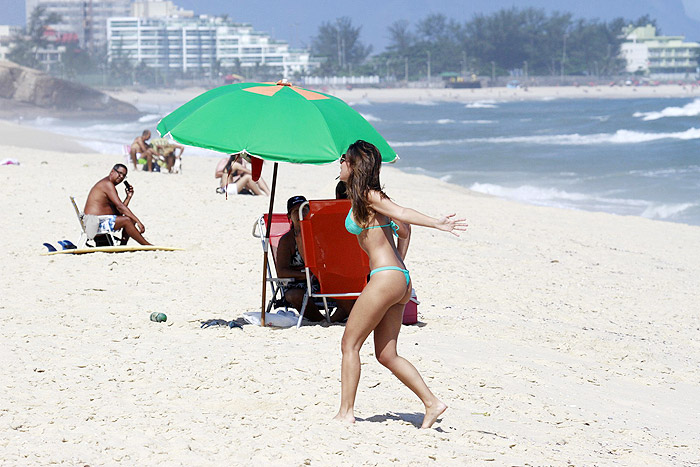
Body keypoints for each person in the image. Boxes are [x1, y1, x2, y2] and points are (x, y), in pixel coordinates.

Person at [334, 140, 467, 428]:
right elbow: (403, 231)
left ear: (355, 165)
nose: (340, 163)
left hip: (386, 277)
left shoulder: (370, 195)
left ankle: (346, 413)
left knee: (349, 344)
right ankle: (432, 403)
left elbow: (405, 215)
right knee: (386, 354)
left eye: (344, 159)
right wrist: (399, 266)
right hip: (399, 278)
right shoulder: (368, 198)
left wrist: (437, 223)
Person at [83, 164, 151, 245]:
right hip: (94, 222)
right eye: (119, 173)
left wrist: (128, 197)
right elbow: (120, 207)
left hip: (100, 220)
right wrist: (138, 221)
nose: (121, 177)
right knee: (127, 220)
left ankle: (122, 245)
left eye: (124, 175)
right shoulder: (107, 184)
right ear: (112, 172)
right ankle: (146, 245)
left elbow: (118, 211)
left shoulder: (109, 185)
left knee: (130, 219)